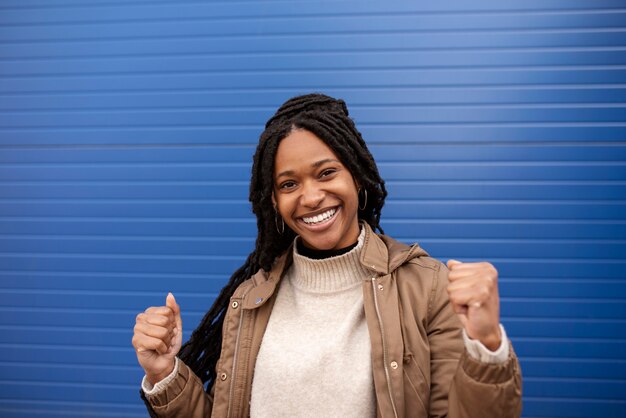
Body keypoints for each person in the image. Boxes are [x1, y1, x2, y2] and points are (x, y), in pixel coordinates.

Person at [132, 93, 522, 417]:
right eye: (289, 183)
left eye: (325, 173)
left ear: (356, 175)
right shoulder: (251, 298)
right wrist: (165, 372)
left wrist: (486, 343)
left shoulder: (426, 286)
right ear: (274, 201)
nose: (311, 197)